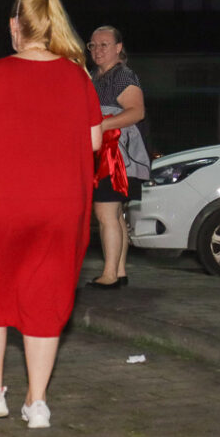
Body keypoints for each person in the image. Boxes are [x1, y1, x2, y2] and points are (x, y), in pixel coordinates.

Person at [0, 0, 101, 429]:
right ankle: (36, 404)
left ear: (16, 27)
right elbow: (92, 142)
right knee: (46, 296)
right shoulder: (77, 77)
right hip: (59, 208)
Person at [87, 26, 150, 288]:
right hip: (107, 154)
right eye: (93, 45)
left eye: (104, 44)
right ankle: (119, 271)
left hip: (114, 156)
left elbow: (137, 112)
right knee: (114, 214)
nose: (97, 50)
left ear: (118, 48)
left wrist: (101, 125)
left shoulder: (123, 76)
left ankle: (110, 275)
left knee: (105, 213)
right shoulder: (96, 76)